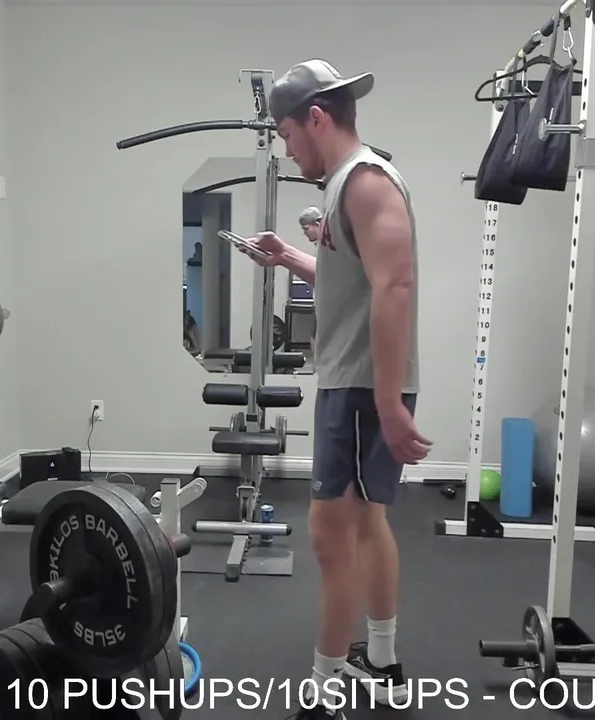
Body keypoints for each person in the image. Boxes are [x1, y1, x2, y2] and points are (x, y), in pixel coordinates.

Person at [238, 60, 429, 719]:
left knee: (328, 534)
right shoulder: (352, 186)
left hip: (358, 388)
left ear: (316, 119)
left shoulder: (365, 181)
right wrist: (289, 257)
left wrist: (386, 401)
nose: (289, 151)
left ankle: (322, 692)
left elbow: (395, 286)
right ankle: (383, 661)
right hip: (359, 383)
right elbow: (357, 282)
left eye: (288, 136)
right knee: (368, 523)